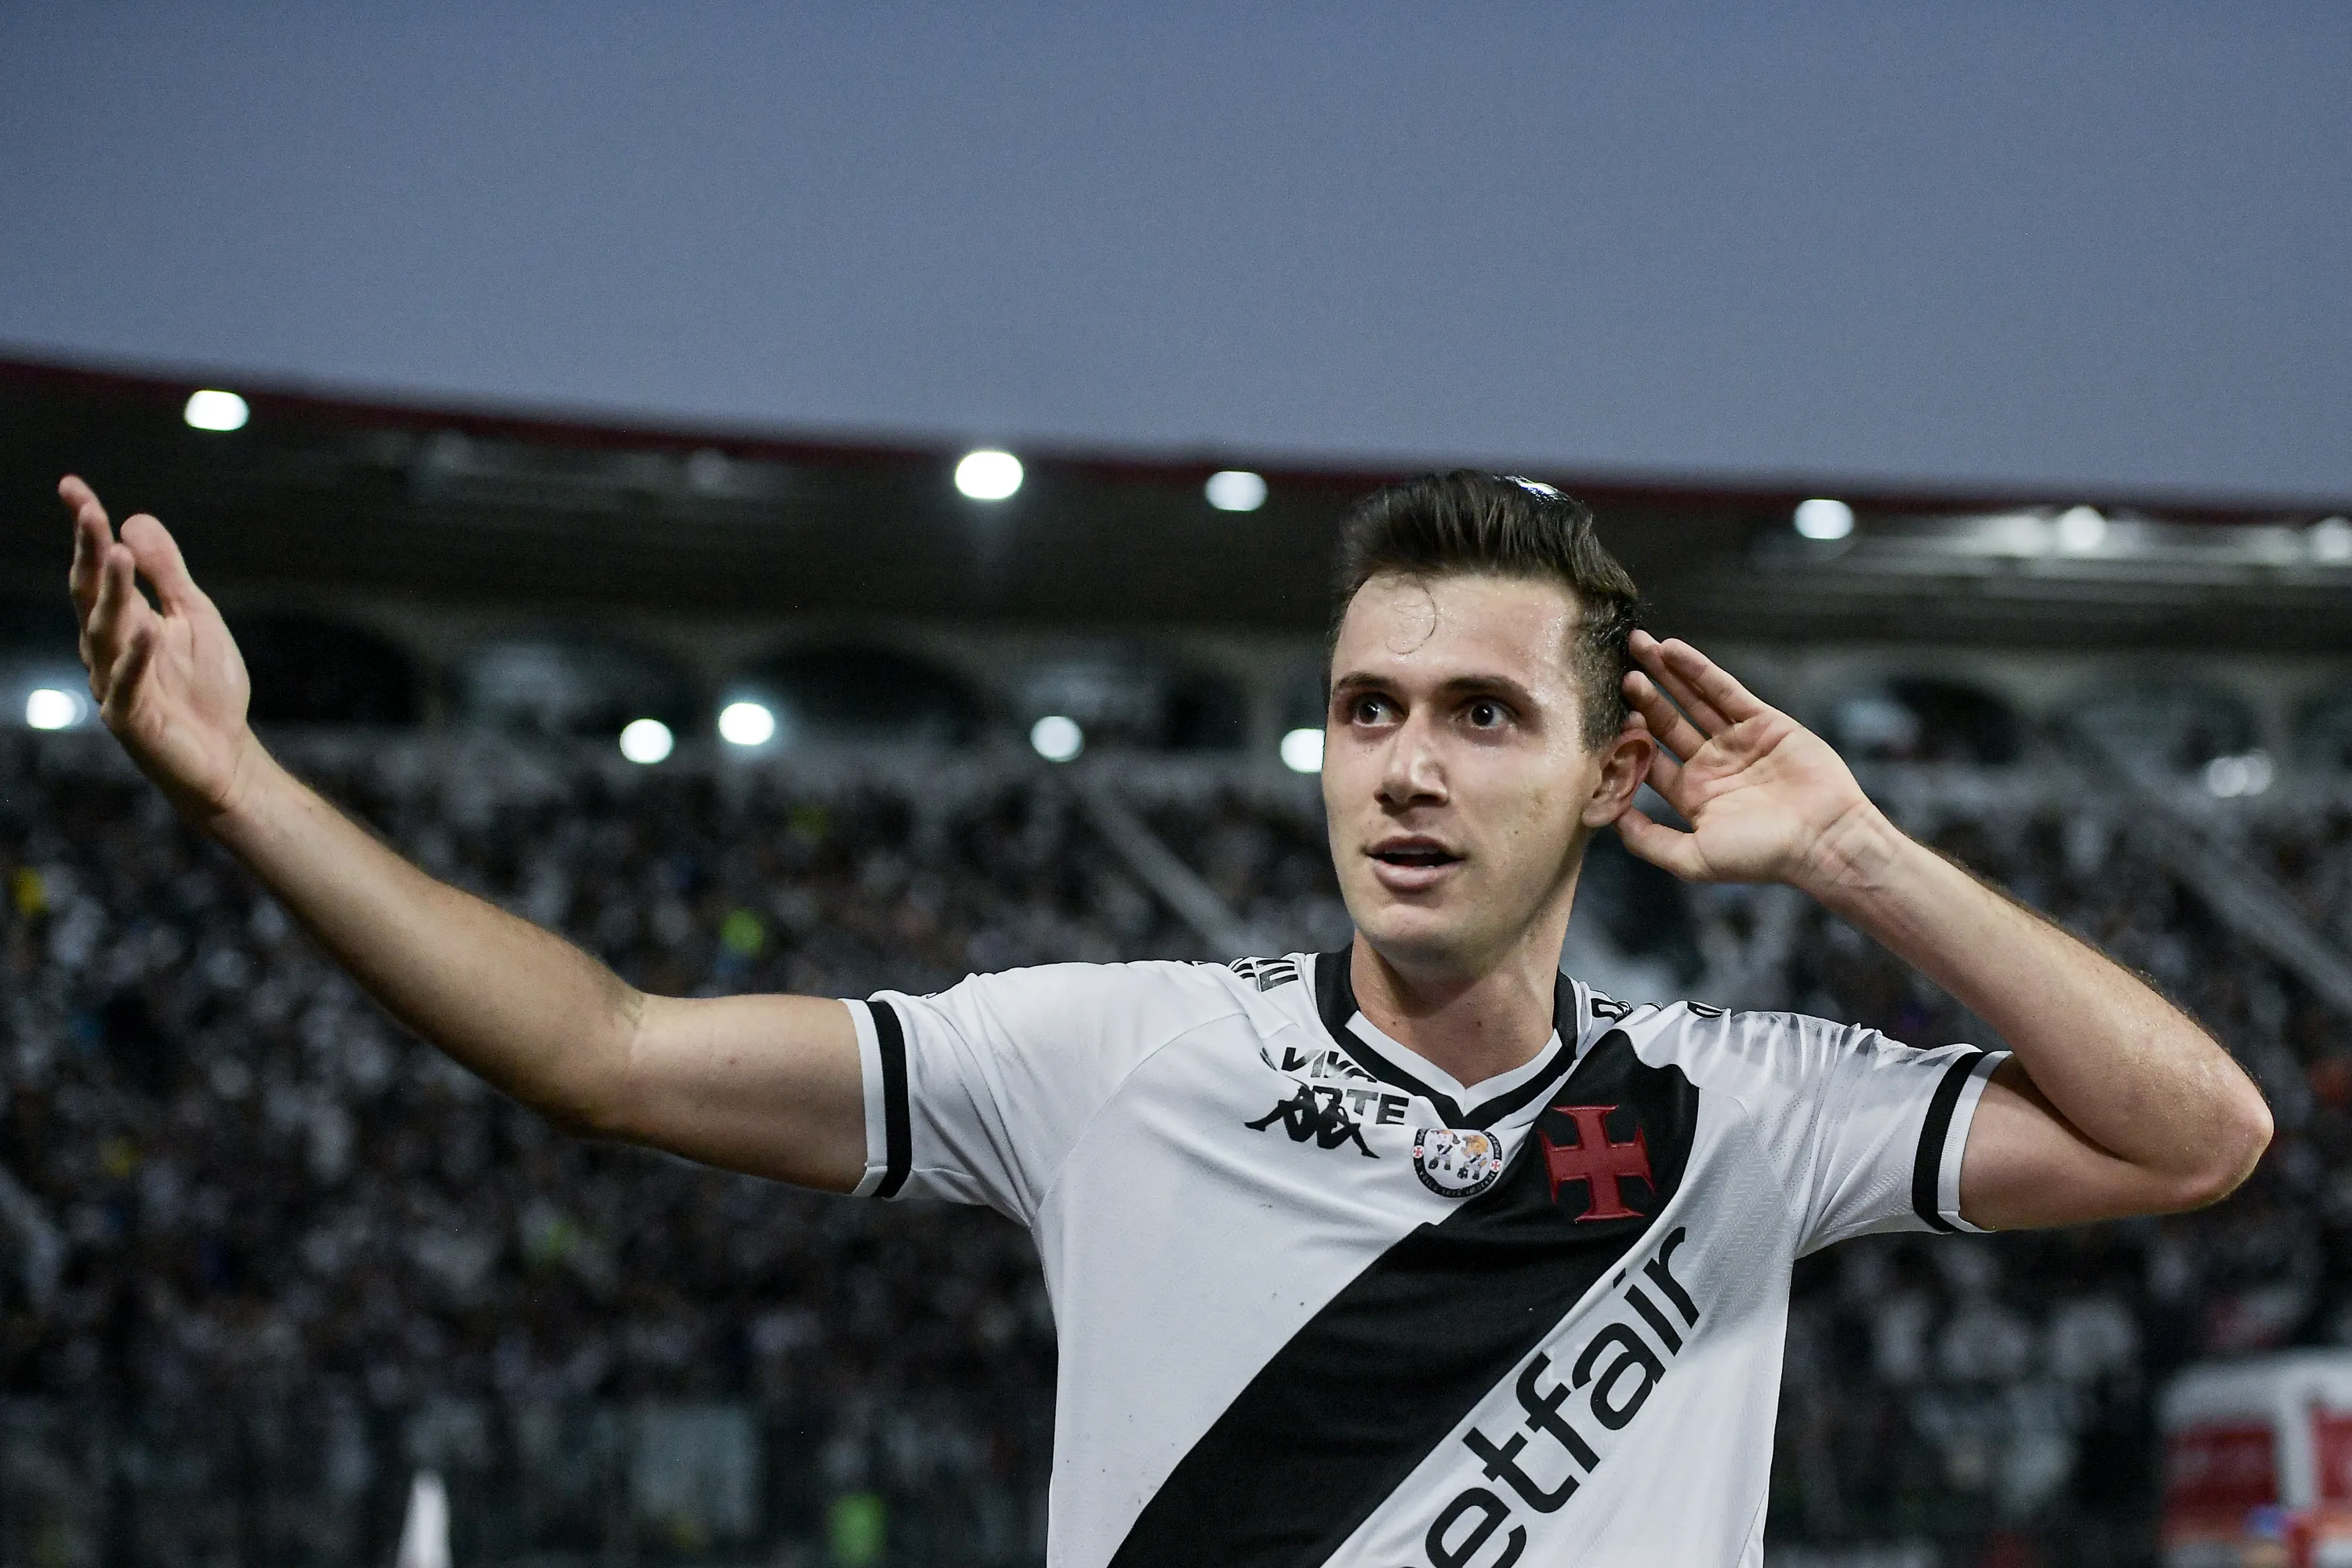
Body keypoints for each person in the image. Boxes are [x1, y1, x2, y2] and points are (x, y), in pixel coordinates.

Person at [57, 468, 2269, 1567]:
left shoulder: (1744, 1110)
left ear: (1615, 775)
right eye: (1363, 710)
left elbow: (2197, 1135)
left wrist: (1864, 854)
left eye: (1483, 716)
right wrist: (245, 788)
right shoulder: (1105, 1058)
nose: (1404, 768)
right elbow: (606, 1049)